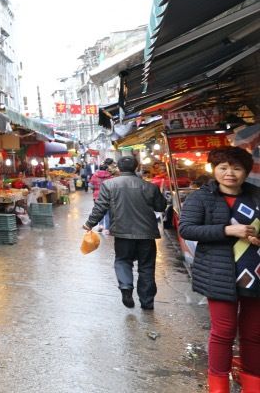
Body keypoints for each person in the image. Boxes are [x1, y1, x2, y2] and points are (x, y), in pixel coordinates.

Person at [177, 147, 260, 393]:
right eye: (223, 167)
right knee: (223, 332)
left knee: (254, 333)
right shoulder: (201, 198)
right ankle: (218, 385)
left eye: (236, 168)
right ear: (214, 170)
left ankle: (253, 384)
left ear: (246, 171)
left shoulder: (256, 196)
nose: (229, 173)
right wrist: (227, 230)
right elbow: (187, 229)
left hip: (255, 274)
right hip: (219, 274)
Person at [83, 155, 166, 310]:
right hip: (146, 233)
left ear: (119, 168)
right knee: (146, 267)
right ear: (136, 167)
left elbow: (100, 207)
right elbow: (161, 207)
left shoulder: (109, 185)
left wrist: (89, 224)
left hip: (122, 232)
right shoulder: (149, 186)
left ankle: (126, 288)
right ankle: (147, 302)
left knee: (122, 260)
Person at [89, 162, 114, 234]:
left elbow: (91, 185)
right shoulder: (110, 176)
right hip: (108, 195)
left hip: (97, 195)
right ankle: (107, 229)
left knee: (99, 210)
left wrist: (96, 188)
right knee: (107, 212)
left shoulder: (94, 175)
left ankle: (100, 226)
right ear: (106, 169)